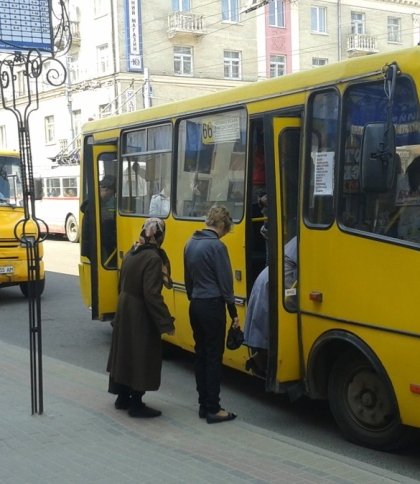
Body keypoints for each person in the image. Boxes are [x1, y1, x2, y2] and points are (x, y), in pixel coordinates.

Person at [107, 218, 175, 418]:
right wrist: (165, 323)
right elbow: (152, 294)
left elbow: (121, 283)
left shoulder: (132, 252)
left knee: (125, 353)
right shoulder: (153, 259)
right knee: (141, 354)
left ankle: (122, 397)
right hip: (140, 313)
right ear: (160, 236)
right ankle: (136, 403)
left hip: (125, 307)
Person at [184, 205, 239, 424]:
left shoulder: (190, 243)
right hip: (213, 306)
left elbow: (188, 280)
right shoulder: (217, 247)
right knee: (214, 357)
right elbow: (226, 284)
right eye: (227, 229)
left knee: (201, 355)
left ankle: (203, 404)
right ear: (222, 225)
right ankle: (214, 409)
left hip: (196, 304)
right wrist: (233, 312)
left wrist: (194, 297)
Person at [243, 236, 297, 376]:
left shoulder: (298, 238)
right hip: (275, 281)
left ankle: (260, 360)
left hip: (268, 278)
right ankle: (263, 364)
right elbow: (291, 293)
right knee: (267, 326)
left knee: (263, 325)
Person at [99, 175, 117, 263]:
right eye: (112, 193)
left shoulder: (102, 204)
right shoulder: (96, 205)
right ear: (106, 189)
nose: (112, 197)